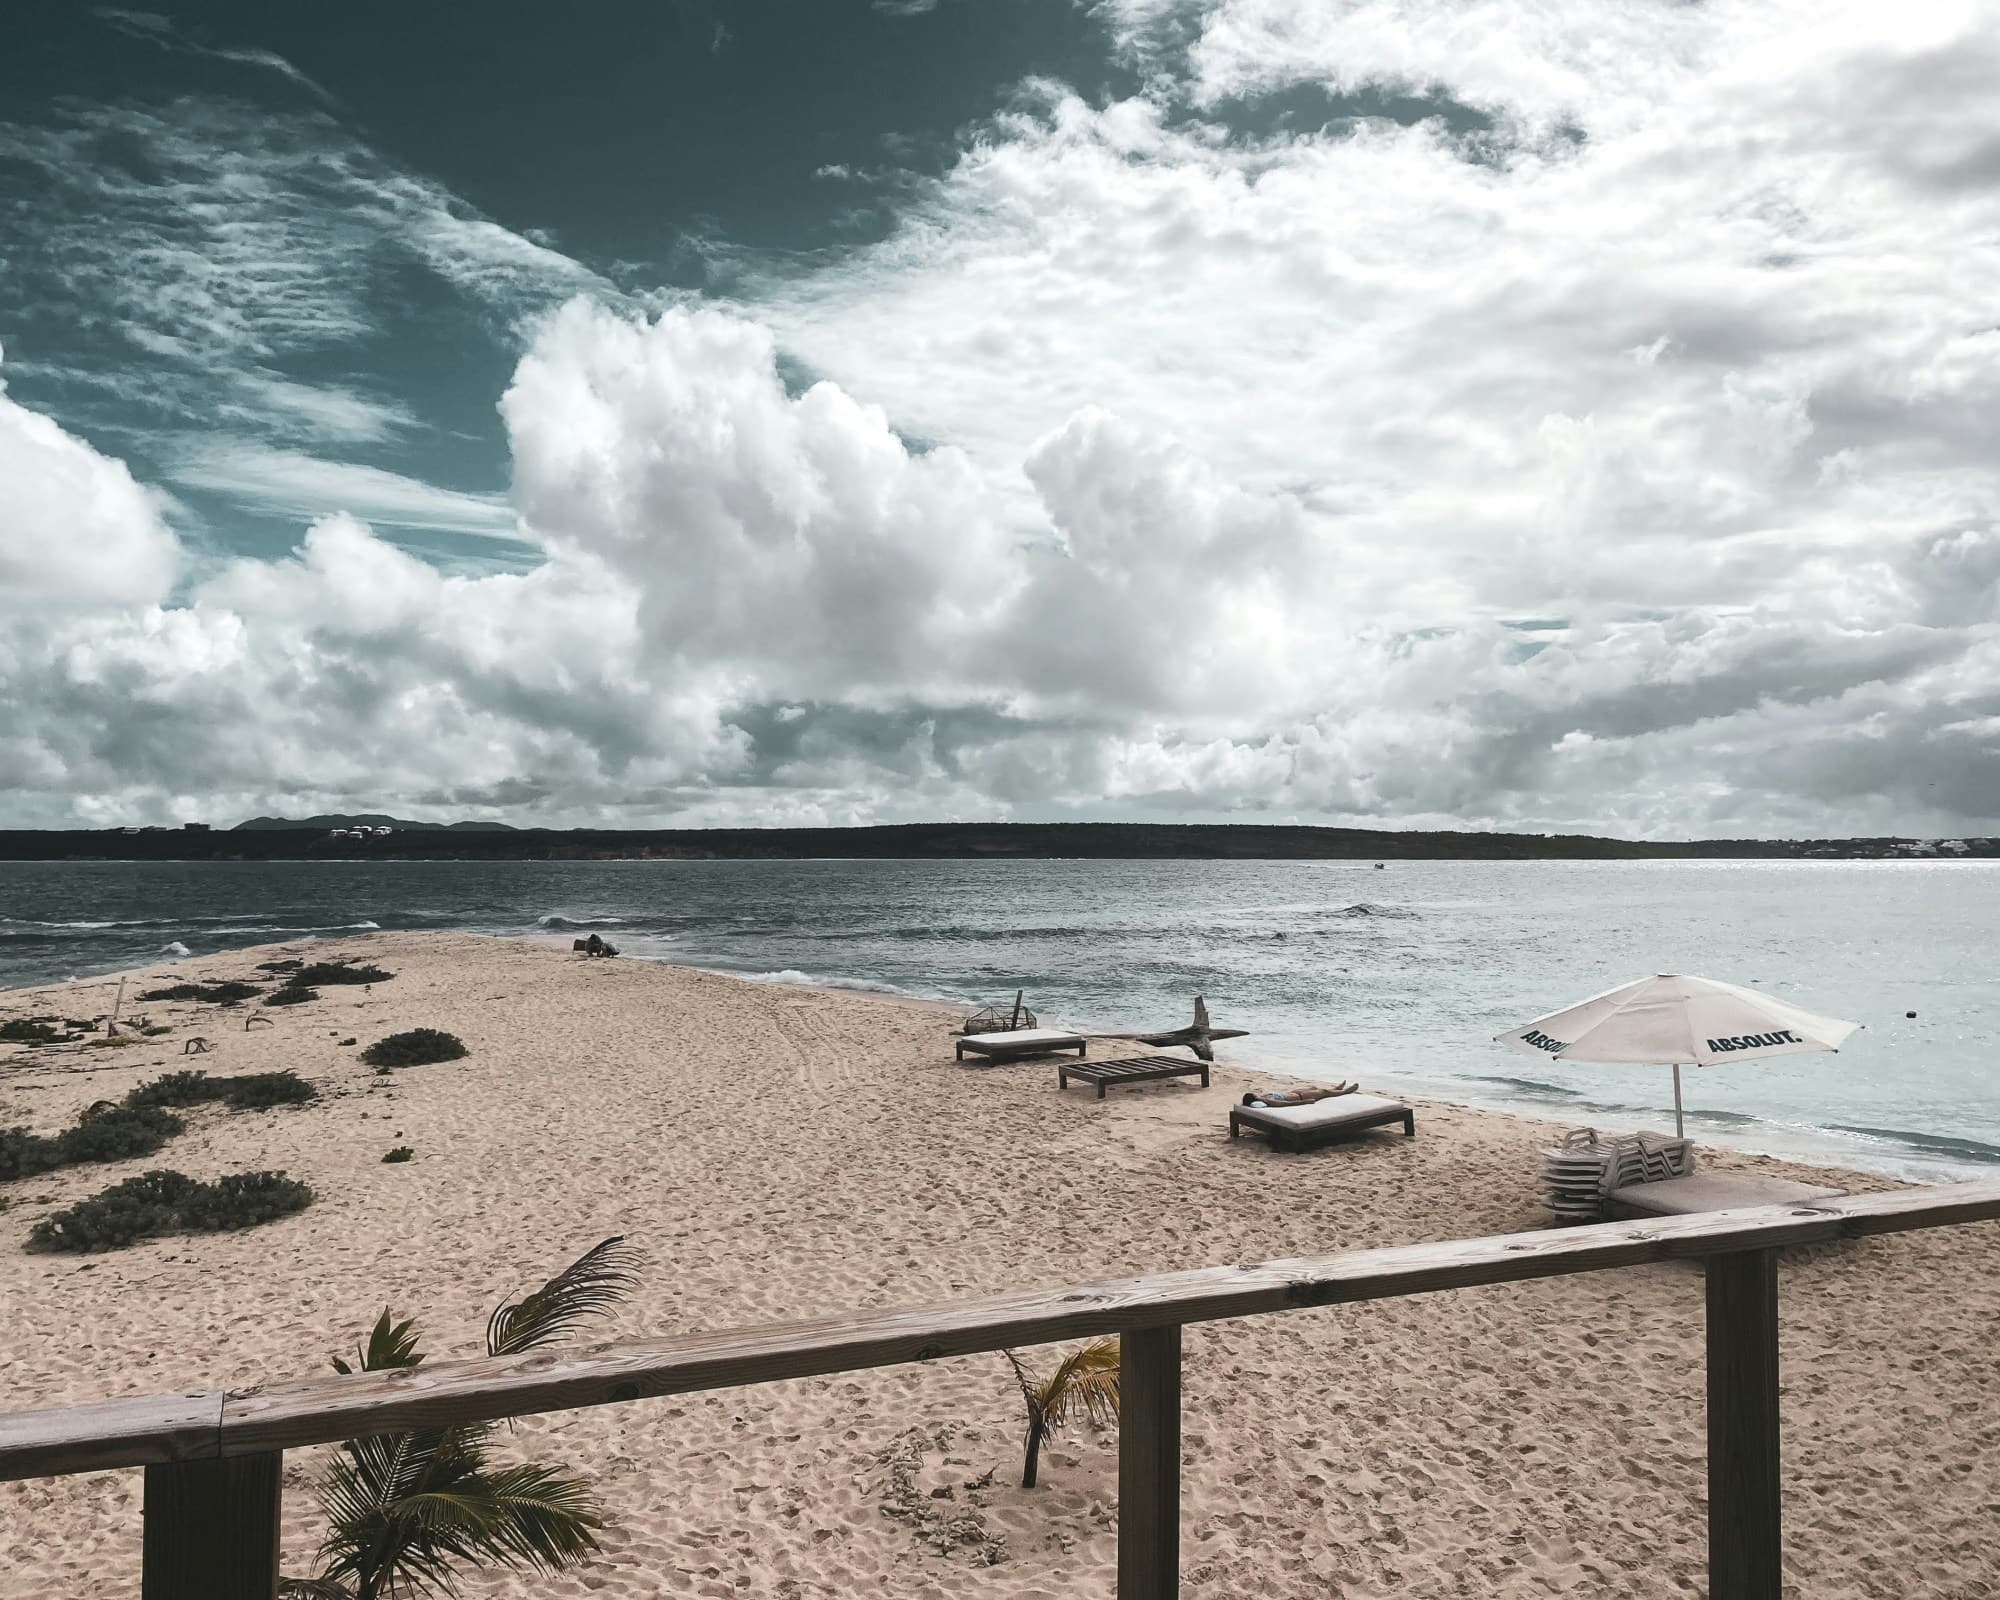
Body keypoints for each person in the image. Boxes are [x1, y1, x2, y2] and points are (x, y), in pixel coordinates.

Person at [1242, 1081, 1357, 1108]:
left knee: (1314, 1087)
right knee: (1324, 1093)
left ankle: (1335, 1088)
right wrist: (1305, 1102)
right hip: (1301, 1097)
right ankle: (1345, 1091)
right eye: (1255, 1094)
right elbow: (1285, 1104)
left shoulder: (1264, 1097)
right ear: (1255, 1098)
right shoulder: (1267, 1100)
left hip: (1295, 1092)